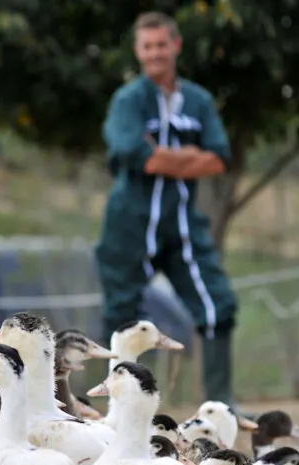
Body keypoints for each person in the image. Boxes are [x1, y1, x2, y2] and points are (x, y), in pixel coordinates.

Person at [95, 11, 238, 405]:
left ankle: (221, 405)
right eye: (147, 46)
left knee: (217, 305)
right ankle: (124, 405)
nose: (155, 53)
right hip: (129, 226)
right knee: (122, 318)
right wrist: (189, 155)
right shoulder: (127, 101)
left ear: (175, 45)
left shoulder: (199, 101)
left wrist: (163, 153)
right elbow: (140, 158)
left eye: (162, 44)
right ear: (138, 51)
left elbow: (218, 160)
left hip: (183, 226)